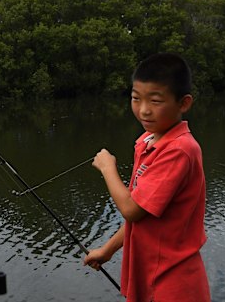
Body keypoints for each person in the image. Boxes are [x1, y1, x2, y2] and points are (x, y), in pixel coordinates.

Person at [84, 53, 210, 301]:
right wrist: (107, 250)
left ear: (183, 103)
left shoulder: (179, 150)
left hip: (174, 283)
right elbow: (143, 216)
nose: (143, 110)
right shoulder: (147, 142)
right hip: (148, 274)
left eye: (155, 101)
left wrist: (108, 169)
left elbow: (132, 209)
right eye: (135, 98)